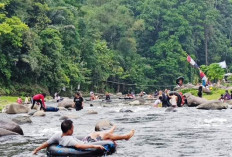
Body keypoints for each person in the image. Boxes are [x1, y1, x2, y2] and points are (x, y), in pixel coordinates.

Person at [33, 120, 135, 155]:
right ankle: (125, 136)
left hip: (85, 140)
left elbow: (46, 144)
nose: (74, 129)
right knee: (103, 135)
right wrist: (96, 146)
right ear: (69, 130)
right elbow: (79, 146)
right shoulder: (70, 139)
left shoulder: (57, 135)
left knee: (96, 133)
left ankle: (112, 131)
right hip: (88, 143)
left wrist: (36, 150)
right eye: (72, 128)